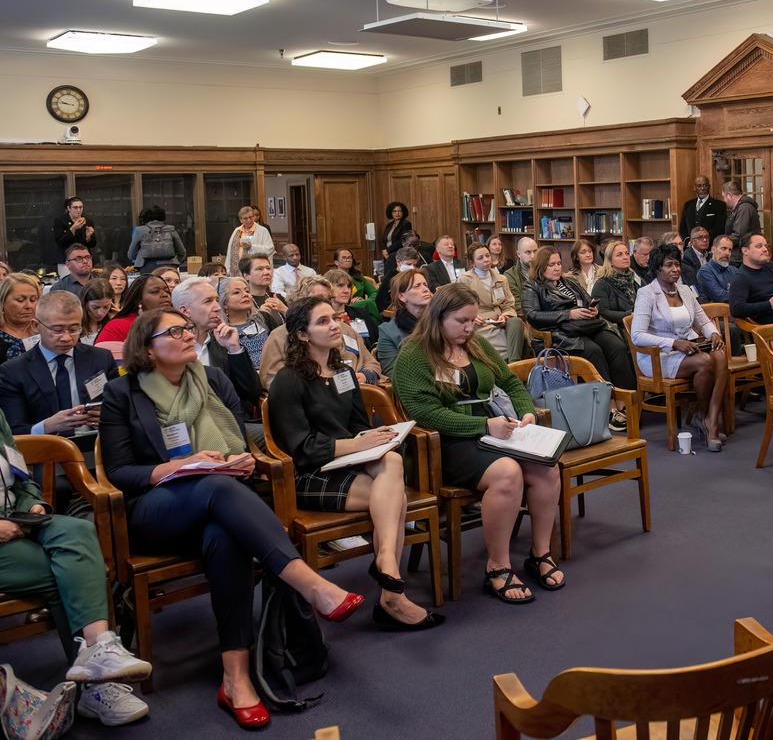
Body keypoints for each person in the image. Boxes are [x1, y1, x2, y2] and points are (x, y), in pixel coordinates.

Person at [99, 307, 365, 728]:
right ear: (147, 350)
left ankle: (236, 678)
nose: (189, 334)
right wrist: (174, 468)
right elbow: (118, 473)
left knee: (226, 538)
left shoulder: (212, 379)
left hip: (219, 507)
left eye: (188, 328)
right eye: (175, 330)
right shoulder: (123, 394)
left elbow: (239, 441)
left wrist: (240, 459)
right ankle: (310, 583)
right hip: (156, 508)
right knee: (215, 486)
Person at [267, 298, 443, 631]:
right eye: (323, 322)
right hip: (311, 474)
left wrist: (379, 435)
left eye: (334, 318)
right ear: (302, 335)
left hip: (349, 463)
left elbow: (359, 427)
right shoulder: (288, 381)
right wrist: (357, 444)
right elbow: (300, 449)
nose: (335, 325)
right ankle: (391, 592)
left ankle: (387, 568)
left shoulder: (344, 372)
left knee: (391, 458)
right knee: (396, 499)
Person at [391, 285, 564, 603]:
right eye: (462, 321)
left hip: (491, 432)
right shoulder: (413, 355)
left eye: (473, 320)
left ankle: (540, 553)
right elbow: (428, 415)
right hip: (445, 445)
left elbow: (510, 381)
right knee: (508, 472)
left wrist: (525, 411)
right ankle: (498, 566)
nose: (470, 328)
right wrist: (483, 424)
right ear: (438, 317)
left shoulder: (475, 344)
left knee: (546, 467)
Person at [0, 410, 153, 726]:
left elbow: (18, 474)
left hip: (17, 519)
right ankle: (97, 688)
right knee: (70, 572)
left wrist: (31, 502)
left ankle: (99, 649)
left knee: (79, 531)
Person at [631, 245, 726, 449]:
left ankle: (710, 419)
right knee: (705, 361)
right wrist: (673, 343)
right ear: (657, 269)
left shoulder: (684, 290)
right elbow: (637, 335)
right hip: (658, 357)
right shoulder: (647, 294)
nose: (675, 269)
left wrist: (714, 333)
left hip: (689, 348)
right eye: (668, 265)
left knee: (720, 355)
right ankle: (704, 417)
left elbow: (702, 320)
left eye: (677, 264)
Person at [0, 291, 117, 436]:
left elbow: (121, 407)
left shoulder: (101, 359)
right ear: (36, 326)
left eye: (74, 329)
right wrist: (45, 427)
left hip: (97, 445)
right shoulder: (14, 371)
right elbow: (13, 432)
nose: (67, 338)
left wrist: (110, 416)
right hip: (44, 450)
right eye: (57, 330)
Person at [524, 247, 635, 389]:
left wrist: (593, 309)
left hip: (587, 326)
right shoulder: (532, 286)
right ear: (540, 266)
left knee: (617, 347)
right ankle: (607, 400)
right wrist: (568, 314)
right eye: (551, 265)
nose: (557, 268)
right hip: (561, 332)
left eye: (558, 263)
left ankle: (625, 396)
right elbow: (532, 315)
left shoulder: (569, 282)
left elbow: (589, 300)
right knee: (594, 351)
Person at [259, 277, 382, 387]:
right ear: (300, 300)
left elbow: (371, 362)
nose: (325, 303)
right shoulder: (280, 335)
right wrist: (320, 387)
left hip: (357, 390)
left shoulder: (343, 328)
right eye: (318, 298)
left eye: (328, 298)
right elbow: (269, 378)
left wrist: (365, 376)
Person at [171, 277, 262, 409]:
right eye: (208, 301)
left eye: (217, 300)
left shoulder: (223, 342)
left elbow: (252, 393)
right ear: (185, 311)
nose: (217, 308)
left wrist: (234, 349)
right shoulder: (170, 347)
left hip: (228, 420)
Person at [456, 244, 526, 362]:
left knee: (516, 322)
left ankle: (514, 363)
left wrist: (506, 315)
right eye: (480, 258)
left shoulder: (501, 278)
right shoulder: (465, 279)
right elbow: (458, 306)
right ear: (472, 263)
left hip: (500, 320)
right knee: (503, 342)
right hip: (479, 322)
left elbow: (509, 304)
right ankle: (512, 364)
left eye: (487, 255)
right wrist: (471, 317)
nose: (486, 259)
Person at [94, 273, 171, 349]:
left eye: (167, 291)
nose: (165, 294)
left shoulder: (178, 322)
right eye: (155, 291)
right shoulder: (117, 327)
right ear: (139, 300)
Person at [375, 270, 430, 373]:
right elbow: (393, 373)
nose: (425, 289)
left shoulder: (441, 321)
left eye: (425, 285)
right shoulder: (388, 332)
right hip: (413, 385)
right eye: (417, 286)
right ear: (402, 296)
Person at [216, 276, 275, 369]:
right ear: (224, 303)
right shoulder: (221, 332)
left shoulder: (264, 318)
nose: (245, 295)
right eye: (236, 292)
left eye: (247, 291)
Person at [590, 241, 638, 334]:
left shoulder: (635, 278)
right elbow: (603, 312)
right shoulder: (601, 283)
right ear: (610, 260)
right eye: (619, 255)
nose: (625, 257)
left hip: (639, 323)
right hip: (615, 328)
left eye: (627, 253)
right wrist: (630, 315)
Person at [324, 268, 379, 347]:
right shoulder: (322, 319)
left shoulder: (361, 313)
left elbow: (375, 342)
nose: (347, 291)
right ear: (328, 288)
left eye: (349, 286)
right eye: (340, 285)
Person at [0, 273, 44, 365]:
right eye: (20, 300)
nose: (29, 306)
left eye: (33, 299)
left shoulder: (45, 330)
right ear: (3, 301)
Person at [127, 206, 186, 271]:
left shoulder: (140, 231)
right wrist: (174, 264)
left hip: (147, 268)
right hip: (169, 268)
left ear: (144, 218)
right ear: (163, 217)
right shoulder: (171, 230)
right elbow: (182, 253)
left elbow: (131, 255)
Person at [51, 196, 97, 270]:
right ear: (69, 208)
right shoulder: (60, 220)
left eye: (81, 207)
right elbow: (60, 242)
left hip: (84, 259)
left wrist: (88, 237)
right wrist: (73, 229)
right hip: (66, 260)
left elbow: (93, 244)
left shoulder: (88, 221)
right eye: (75, 207)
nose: (78, 210)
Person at [239, 254, 288, 324]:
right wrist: (259, 316)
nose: (266, 272)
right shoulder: (243, 301)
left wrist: (285, 310)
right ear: (246, 276)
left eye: (268, 268)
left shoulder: (277, 297)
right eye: (259, 269)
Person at [679, 175, 727, 243]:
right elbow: (682, 228)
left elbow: (719, 228)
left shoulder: (719, 205)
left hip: (710, 245)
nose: (702, 188)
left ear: (709, 186)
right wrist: (688, 241)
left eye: (705, 185)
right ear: (694, 188)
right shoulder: (688, 205)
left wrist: (703, 240)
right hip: (690, 245)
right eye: (699, 186)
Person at [333, 248, 379, 320]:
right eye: (344, 258)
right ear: (336, 262)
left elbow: (374, 293)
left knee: (369, 309)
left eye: (349, 257)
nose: (347, 259)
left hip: (359, 309)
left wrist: (365, 301)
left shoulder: (359, 278)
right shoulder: (331, 279)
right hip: (339, 310)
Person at [722, 181, 760, 265]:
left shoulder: (744, 209)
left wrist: (721, 242)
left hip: (741, 258)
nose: (724, 200)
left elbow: (739, 236)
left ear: (729, 195)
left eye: (724, 196)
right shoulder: (741, 208)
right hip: (740, 255)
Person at [225, 206, 274, 272]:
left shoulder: (263, 230)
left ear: (254, 217)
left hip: (254, 269)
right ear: (241, 220)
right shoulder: (237, 230)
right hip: (236, 269)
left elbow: (270, 249)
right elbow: (229, 251)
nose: (249, 220)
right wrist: (227, 269)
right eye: (245, 218)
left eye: (250, 217)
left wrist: (252, 247)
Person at [376, 247, 422, 315]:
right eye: (408, 264)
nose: (412, 267)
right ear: (398, 262)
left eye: (414, 265)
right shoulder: (390, 278)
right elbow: (380, 301)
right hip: (398, 313)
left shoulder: (416, 276)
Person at [694, 235, 736, 303]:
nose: (727, 253)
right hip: (716, 312)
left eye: (730, 250)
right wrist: (740, 295)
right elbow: (721, 297)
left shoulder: (734, 270)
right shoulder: (705, 272)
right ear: (713, 250)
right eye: (723, 248)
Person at [79, 279, 117, 345]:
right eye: (95, 307)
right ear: (84, 303)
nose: (101, 312)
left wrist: (118, 320)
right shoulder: (76, 322)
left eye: (106, 307)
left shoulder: (114, 319)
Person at [502, 237, 537, 307]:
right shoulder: (510, 275)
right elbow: (516, 304)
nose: (533, 256)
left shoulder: (544, 270)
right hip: (527, 314)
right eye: (528, 252)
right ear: (518, 254)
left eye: (535, 251)